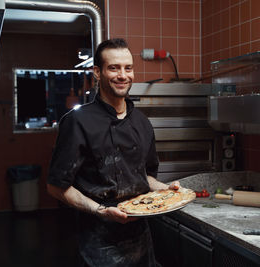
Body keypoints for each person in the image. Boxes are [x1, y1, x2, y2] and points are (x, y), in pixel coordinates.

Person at [47, 38, 180, 266]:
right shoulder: (77, 122)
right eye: (114, 68)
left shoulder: (142, 123)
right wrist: (100, 210)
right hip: (97, 240)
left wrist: (167, 189)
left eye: (128, 68)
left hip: (141, 237)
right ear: (97, 72)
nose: (122, 75)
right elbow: (56, 187)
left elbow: (144, 177)